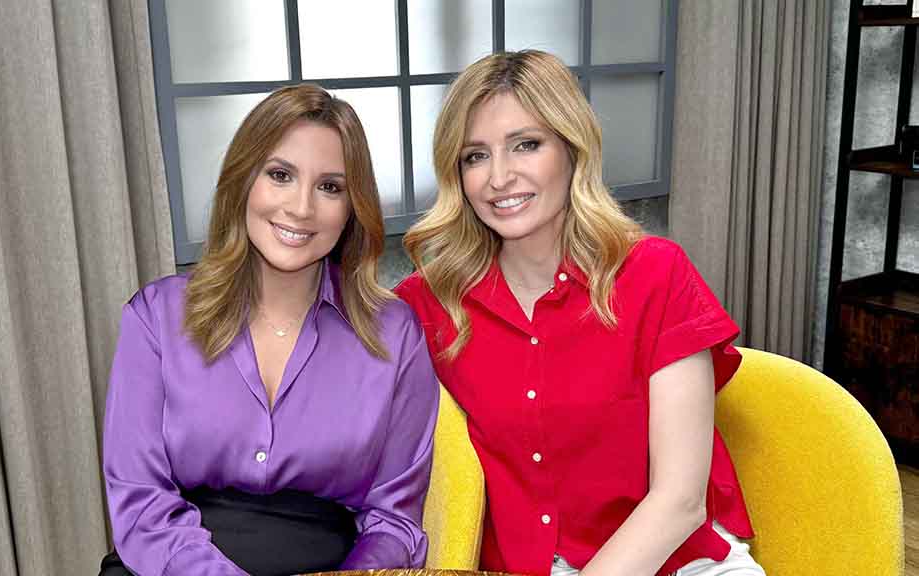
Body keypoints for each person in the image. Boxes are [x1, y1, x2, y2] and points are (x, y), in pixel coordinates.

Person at [395, 50, 766, 576]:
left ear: (572, 149)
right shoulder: (429, 303)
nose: (499, 177)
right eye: (475, 156)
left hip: (675, 559)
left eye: (526, 145)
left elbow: (680, 501)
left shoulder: (656, 274)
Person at [100, 84, 439, 576]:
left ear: (352, 207)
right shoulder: (156, 316)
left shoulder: (395, 333)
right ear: (243, 180)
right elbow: (140, 499)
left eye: (330, 187)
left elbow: (395, 521)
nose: (301, 207)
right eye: (280, 175)